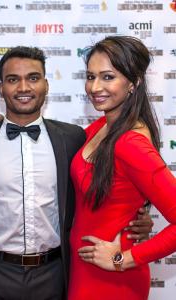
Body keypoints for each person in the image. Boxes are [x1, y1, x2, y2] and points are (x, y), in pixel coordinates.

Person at [0, 46, 152, 299]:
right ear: (1, 88)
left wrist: (137, 219)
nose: (24, 88)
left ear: (46, 85)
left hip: (55, 275)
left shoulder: (74, 139)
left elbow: (113, 181)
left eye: (33, 78)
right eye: (13, 79)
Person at [68, 35, 176, 300]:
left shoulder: (131, 144)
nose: (94, 87)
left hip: (111, 280)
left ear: (134, 82)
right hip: (83, 271)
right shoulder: (99, 129)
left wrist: (123, 259)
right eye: (90, 76)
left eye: (107, 77)